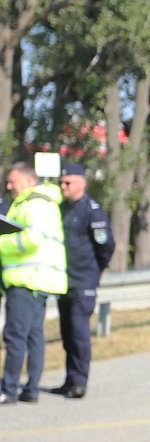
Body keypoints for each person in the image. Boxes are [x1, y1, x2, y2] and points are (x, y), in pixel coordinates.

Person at [0, 163, 67, 405]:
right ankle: (31, 389)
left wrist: (1, 242)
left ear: (28, 180)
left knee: (16, 336)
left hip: (26, 279)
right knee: (33, 336)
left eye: (12, 181)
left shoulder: (33, 204)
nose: (8, 186)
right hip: (39, 280)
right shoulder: (44, 202)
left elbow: (31, 239)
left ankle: (8, 389)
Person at [50, 163, 115, 399]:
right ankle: (70, 379)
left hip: (83, 280)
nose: (63, 186)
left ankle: (80, 381)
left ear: (81, 183)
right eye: (61, 182)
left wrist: (98, 270)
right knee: (67, 334)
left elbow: (105, 245)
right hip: (63, 280)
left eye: (68, 182)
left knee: (79, 334)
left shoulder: (92, 210)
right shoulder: (61, 208)